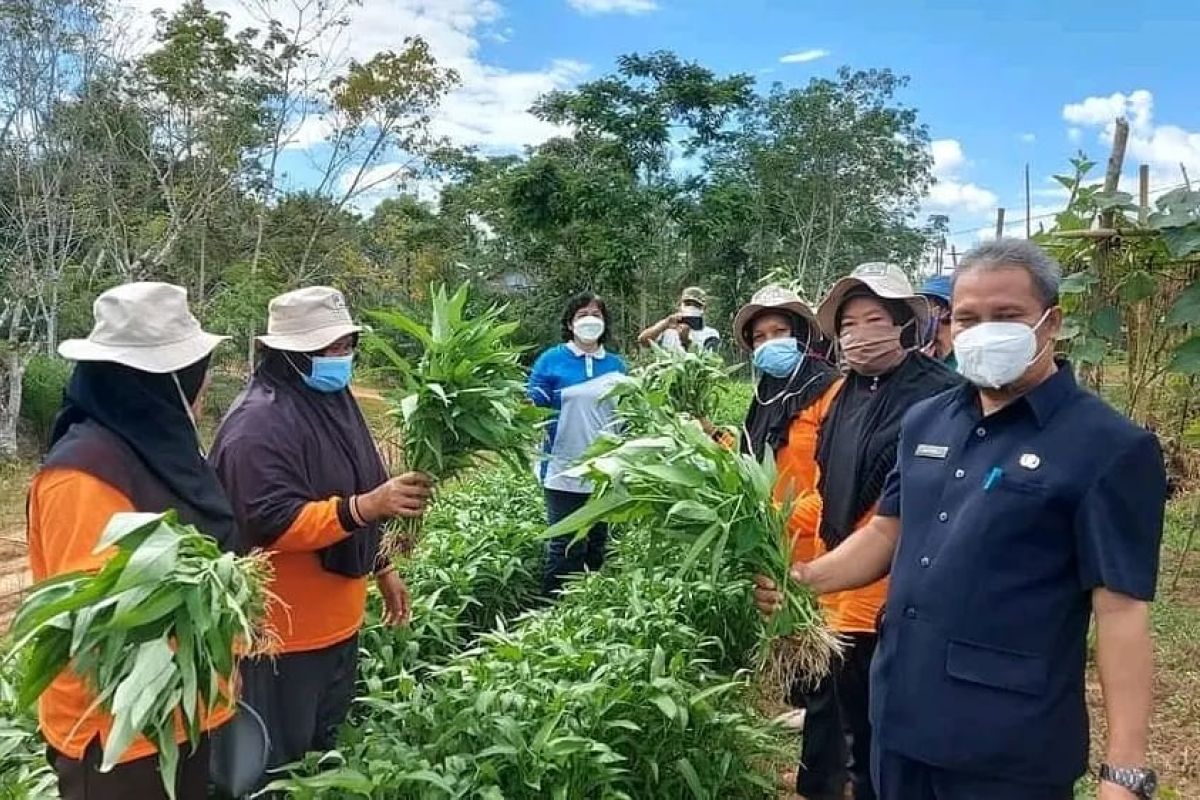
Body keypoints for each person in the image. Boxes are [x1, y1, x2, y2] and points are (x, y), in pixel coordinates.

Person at [787, 240, 1167, 800]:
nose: (984, 330)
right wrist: (806, 580)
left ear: (1051, 322)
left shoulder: (1108, 448)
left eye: (1006, 316)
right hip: (899, 719)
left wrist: (1125, 771)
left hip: (1007, 747)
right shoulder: (926, 421)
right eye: (967, 317)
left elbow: (1121, 613)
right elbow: (887, 533)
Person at [209, 287, 432, 783]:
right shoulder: (257, 424)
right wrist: (364, 508)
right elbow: (270, 520)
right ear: (289, 354)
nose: (342, 357)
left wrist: (382, 566)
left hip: (336, 628)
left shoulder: (332, 402)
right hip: (280, 640)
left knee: (319, 762)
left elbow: (356, 481)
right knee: (270, 773)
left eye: (347, 344)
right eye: (327, 348)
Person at [762, 262, 961, 800]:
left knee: (896, 732)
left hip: (896, 597)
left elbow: (923, 510)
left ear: (904, 325)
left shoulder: (941, 396)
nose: (857, 333)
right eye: (847, 323)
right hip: (842, 587)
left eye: (873, 318)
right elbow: (827, 487)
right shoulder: (846, 395)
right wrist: (779, 524)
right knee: (858, 728)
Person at [28, 282, 235, 800]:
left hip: (178, 718)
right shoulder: (85, 474)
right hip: (118, 739)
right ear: (161, 384)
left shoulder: (163, 453)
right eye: (193, 374)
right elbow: (107, 630)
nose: (202, 387)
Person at [733, 285, 843, 731]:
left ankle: (830, 720)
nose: (769, 342)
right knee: (792, 620)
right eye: (760, 337)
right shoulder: (765, 395)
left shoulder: (830, 390)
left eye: (779, 331)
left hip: (816, 531)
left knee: (829, 624)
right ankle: (811, 708)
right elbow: (752, 458)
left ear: (802, 335)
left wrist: (783, 517)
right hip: (777, 532)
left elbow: (838, 477)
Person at [528, 292, 628, 597]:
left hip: (605, 469)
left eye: (597, 314)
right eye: (583, 314)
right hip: (562, 466)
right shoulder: (550, 360)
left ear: (605, 323)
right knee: (564, 543)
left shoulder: (616, 365)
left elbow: (626, 413)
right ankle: (553, 608)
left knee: (598, 540)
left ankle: (587, 607)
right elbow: (531, 406)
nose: (590, 320)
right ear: (570, 323)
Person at [637, 286, 721, 352]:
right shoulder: (669, 325)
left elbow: (709, 360)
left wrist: (686, 341)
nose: (691, 307)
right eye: (687, 304)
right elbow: (643, 340)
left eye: (696, 305)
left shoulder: (710, 333)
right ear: (680, 306)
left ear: (703, 309)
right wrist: (664, 325)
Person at [917, 274, 956, 368]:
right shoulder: (923, 357)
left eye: (924, 306)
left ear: (945, 311)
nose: (918, 314)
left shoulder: (966, 360)